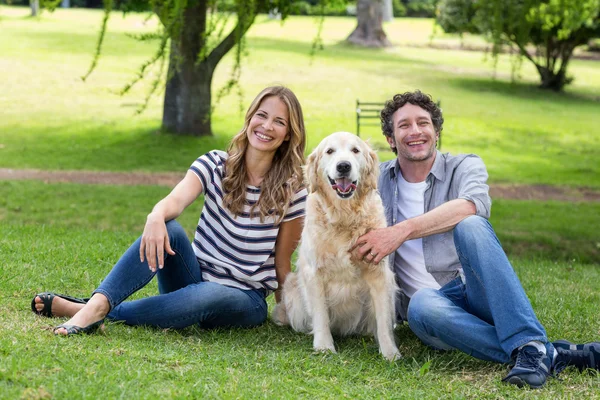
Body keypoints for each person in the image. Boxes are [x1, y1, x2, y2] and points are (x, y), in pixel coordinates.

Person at [351, 90, 600, 389]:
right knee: (421, 304)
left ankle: (530, 347)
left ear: (436, 131)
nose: (415, 131)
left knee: (471, 225)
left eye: (423, 123)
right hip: (430, 313)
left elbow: (472, 205)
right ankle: (541, 350)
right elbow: (334, 195)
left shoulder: (464, 166)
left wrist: (400, 231)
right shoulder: (375, 179)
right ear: (391, 139)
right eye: (404, 125)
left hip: (475, 292)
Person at [31, 85, 307, 335]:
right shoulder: (214, 164)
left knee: (209, 293)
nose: (267, 126)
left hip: (244, 299)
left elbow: (281, 260)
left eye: (279, 122)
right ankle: (98, 305)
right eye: (262, 115)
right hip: (191, 279)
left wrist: (285, 310)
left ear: (287, 135)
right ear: (249, 118)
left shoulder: (293, 189)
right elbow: (174, 202)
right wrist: (155, 216)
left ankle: (87, 310)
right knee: (170, 228)